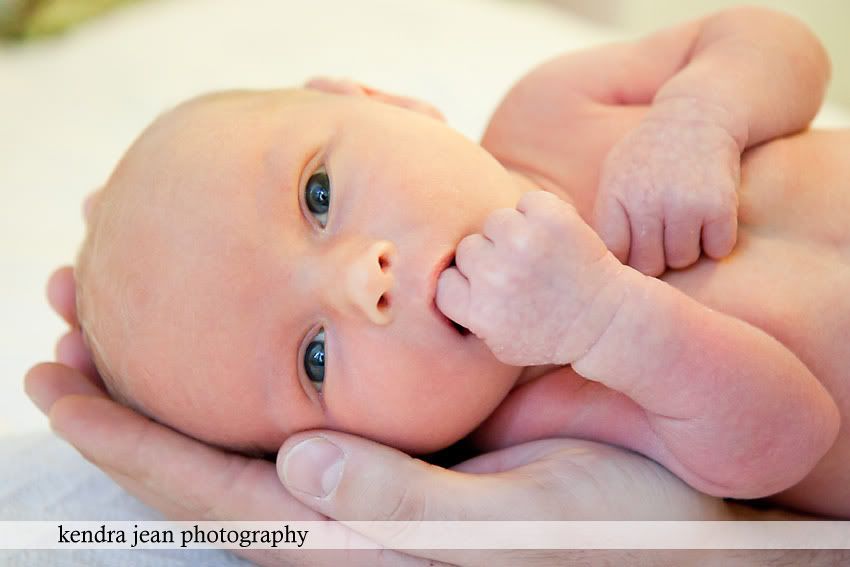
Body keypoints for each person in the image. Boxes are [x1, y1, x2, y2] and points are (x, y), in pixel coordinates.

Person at [66, 4, 847, 517]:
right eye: (313, 357)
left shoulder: (550, 111)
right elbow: (794, 434)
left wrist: (700, 113)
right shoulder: (544, 430)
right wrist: (604, 319)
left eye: (319, 194)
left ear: (381, 101)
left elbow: (775, 40)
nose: (359, 280)